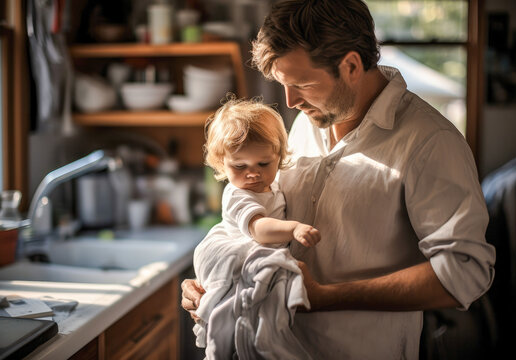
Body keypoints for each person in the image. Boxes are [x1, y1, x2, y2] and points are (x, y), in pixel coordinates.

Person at [182, 1, 496, 358]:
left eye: (302, 83)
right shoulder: (306, 122)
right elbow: (260, 213)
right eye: (284, 85)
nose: (290, 101)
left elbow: (466, 272)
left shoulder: (429, 142)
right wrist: (216, 283)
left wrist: (326, 298)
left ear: (350, 66)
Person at [192, 97, 320, 358]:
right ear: (221, 163)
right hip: (237, 269)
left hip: (257, 267)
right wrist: (293, 228)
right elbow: (258, 229)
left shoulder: (271, 187)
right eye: (239, 166)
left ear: (280, 156)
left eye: (264, 164)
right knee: (232, 324)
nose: (252, 173)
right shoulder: (237, 194)